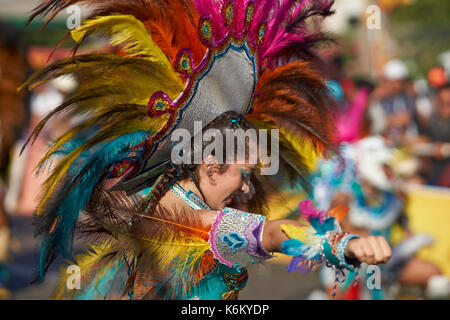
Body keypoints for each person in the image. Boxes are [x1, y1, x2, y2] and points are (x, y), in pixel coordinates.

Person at [23, 0, 391, 300]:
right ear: (212, 165)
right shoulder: (189, 218)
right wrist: (343, 246)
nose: (249, 189)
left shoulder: (155, 198)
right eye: (244, 176)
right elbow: (275, 233)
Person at [310, 136, 445, 299]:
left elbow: (407, 231)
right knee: (337, 294)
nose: (390, 171)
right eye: (385, 166)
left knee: (436, 278)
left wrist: (411, 245)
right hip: (350, 266)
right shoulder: (343, 197)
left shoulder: (395, 196)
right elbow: (340, 239)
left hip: (387, 263)